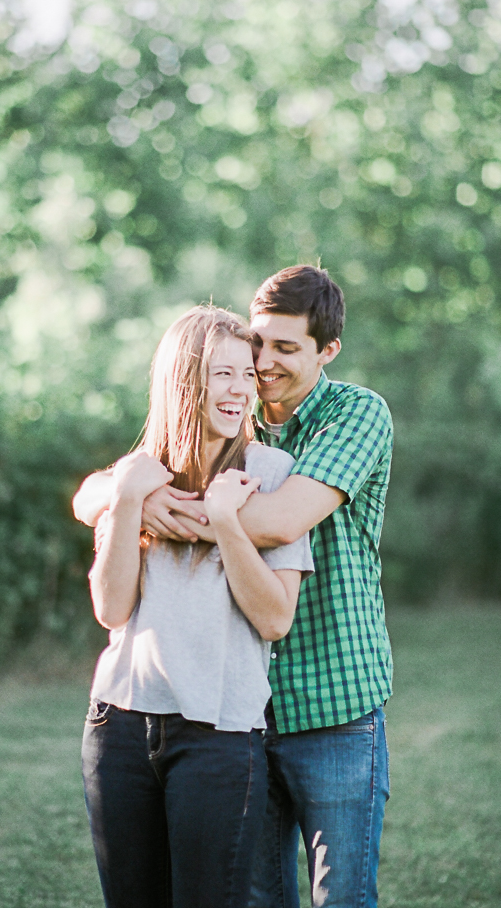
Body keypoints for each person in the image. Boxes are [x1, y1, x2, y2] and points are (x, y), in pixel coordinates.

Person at [74, 266, 393, 908]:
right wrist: (119, 496)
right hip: (240, 709)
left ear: (326, 350)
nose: (261, 367)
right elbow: (97, 495)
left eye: (282, 350)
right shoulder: (213, 439)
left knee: (342, 898)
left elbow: (275, 521)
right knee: (252, 897)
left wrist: (165, 506)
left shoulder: (349, 418)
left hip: (330, 698)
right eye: (253, 350)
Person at [79, 305, 314, 908]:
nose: (242, 390)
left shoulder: (270, 474)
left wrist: (228, 522)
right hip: (120, 727)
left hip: (219, 735)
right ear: (184, 381)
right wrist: (126, 500)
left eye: (246, 374)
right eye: (222, 375)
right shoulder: (137, 476)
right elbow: (111, 609)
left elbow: (274, 619)